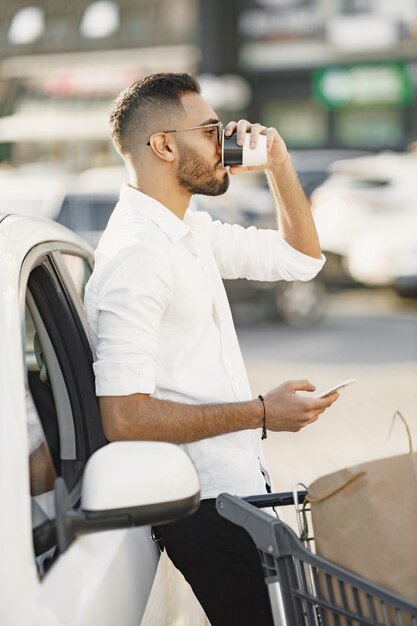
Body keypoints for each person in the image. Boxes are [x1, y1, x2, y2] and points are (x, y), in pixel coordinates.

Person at [84, 72, 339, 626]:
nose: (224, 143)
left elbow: (302, 258)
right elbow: (124, 417)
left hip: (235, 495)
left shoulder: (187, 231)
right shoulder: (138, 255)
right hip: (202, 508)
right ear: (164, 144)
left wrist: (278, 164)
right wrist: (263, 412)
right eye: (211, 130)